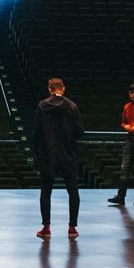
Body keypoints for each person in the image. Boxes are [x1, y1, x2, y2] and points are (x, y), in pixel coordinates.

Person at [31, 77, 83, 239]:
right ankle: (72, 228)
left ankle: (46, 229)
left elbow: (36, 133)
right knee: (72, 191)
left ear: (49, 89)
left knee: (46, 192)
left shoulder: (42, 106)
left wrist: (37, 153)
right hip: (68, 154)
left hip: (48, 154)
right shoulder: (72, 106)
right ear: (63, 89)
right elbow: (80, 131)